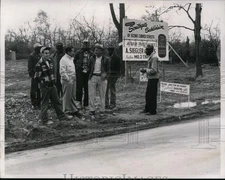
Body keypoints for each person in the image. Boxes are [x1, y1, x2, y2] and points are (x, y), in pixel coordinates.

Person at [34, 46, 73, 125]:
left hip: (52, 85)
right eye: (45, 53)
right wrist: (43, 83)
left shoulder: (50, 61)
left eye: (48, 53)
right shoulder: (39, 65)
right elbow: (36, 77)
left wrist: (53, 81)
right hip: (45, 87)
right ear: (41, 54)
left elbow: (52, 73)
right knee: (45, 103)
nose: (47, 55)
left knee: (57, 101)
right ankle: (44, 120)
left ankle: (62, 116)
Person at [60, 46, 82, 119]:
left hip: (73, 78)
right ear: (68, 52)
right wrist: (68, 79)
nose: (74, 52)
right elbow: (62, 71)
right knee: (66, 96)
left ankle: (73, 109)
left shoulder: (71, 59)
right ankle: (66, 111)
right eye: (72, 51)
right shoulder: (63, 60)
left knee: (72, 95)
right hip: (67, 80)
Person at [88, 44, 110, 117]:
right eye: (95, 50)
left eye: (97, 50)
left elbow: (108, 70)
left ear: (101, 51)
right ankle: (92, 110)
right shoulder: (91, 58)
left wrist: (105, 76)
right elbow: (88, 68)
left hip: (102, 78)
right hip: (93, 77)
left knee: (102, 94)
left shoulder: (106, 59)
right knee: (91, 94)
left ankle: (102, 110)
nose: (95, 51)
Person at [74, 39, 94, 110]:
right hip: (80, 72)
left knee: (87, 88)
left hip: (88, 72)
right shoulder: (78, 52)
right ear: (82, 44)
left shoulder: (91, 53)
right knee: (79, 88)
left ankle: (86, 104)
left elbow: (93, 62)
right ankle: (78, 102)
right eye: (84, 43)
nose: (86, 45)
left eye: (87, 44)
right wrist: (77, 68)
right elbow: (74, 61)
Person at [140, 44, 159, 115]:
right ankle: (147, 109)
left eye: (147, 50)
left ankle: (152, 111)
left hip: (154, 79)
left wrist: (145, 70)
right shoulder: (151, 57)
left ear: (151, 50)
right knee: (148, 94)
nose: (145, 51)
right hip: (151, 78)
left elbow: (154, 70)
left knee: (152, 95)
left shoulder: (154, 58)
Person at [28, 43, 42, 109]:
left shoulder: (40, 55)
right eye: (39, 48)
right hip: (34, 75)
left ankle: (38, 102)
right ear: (36, 48)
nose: (40, 49)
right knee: (33, 90)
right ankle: (33, 103)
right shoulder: (31, 55)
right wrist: (32, 75)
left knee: (39, 89)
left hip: (40, 75)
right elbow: (30, 67)